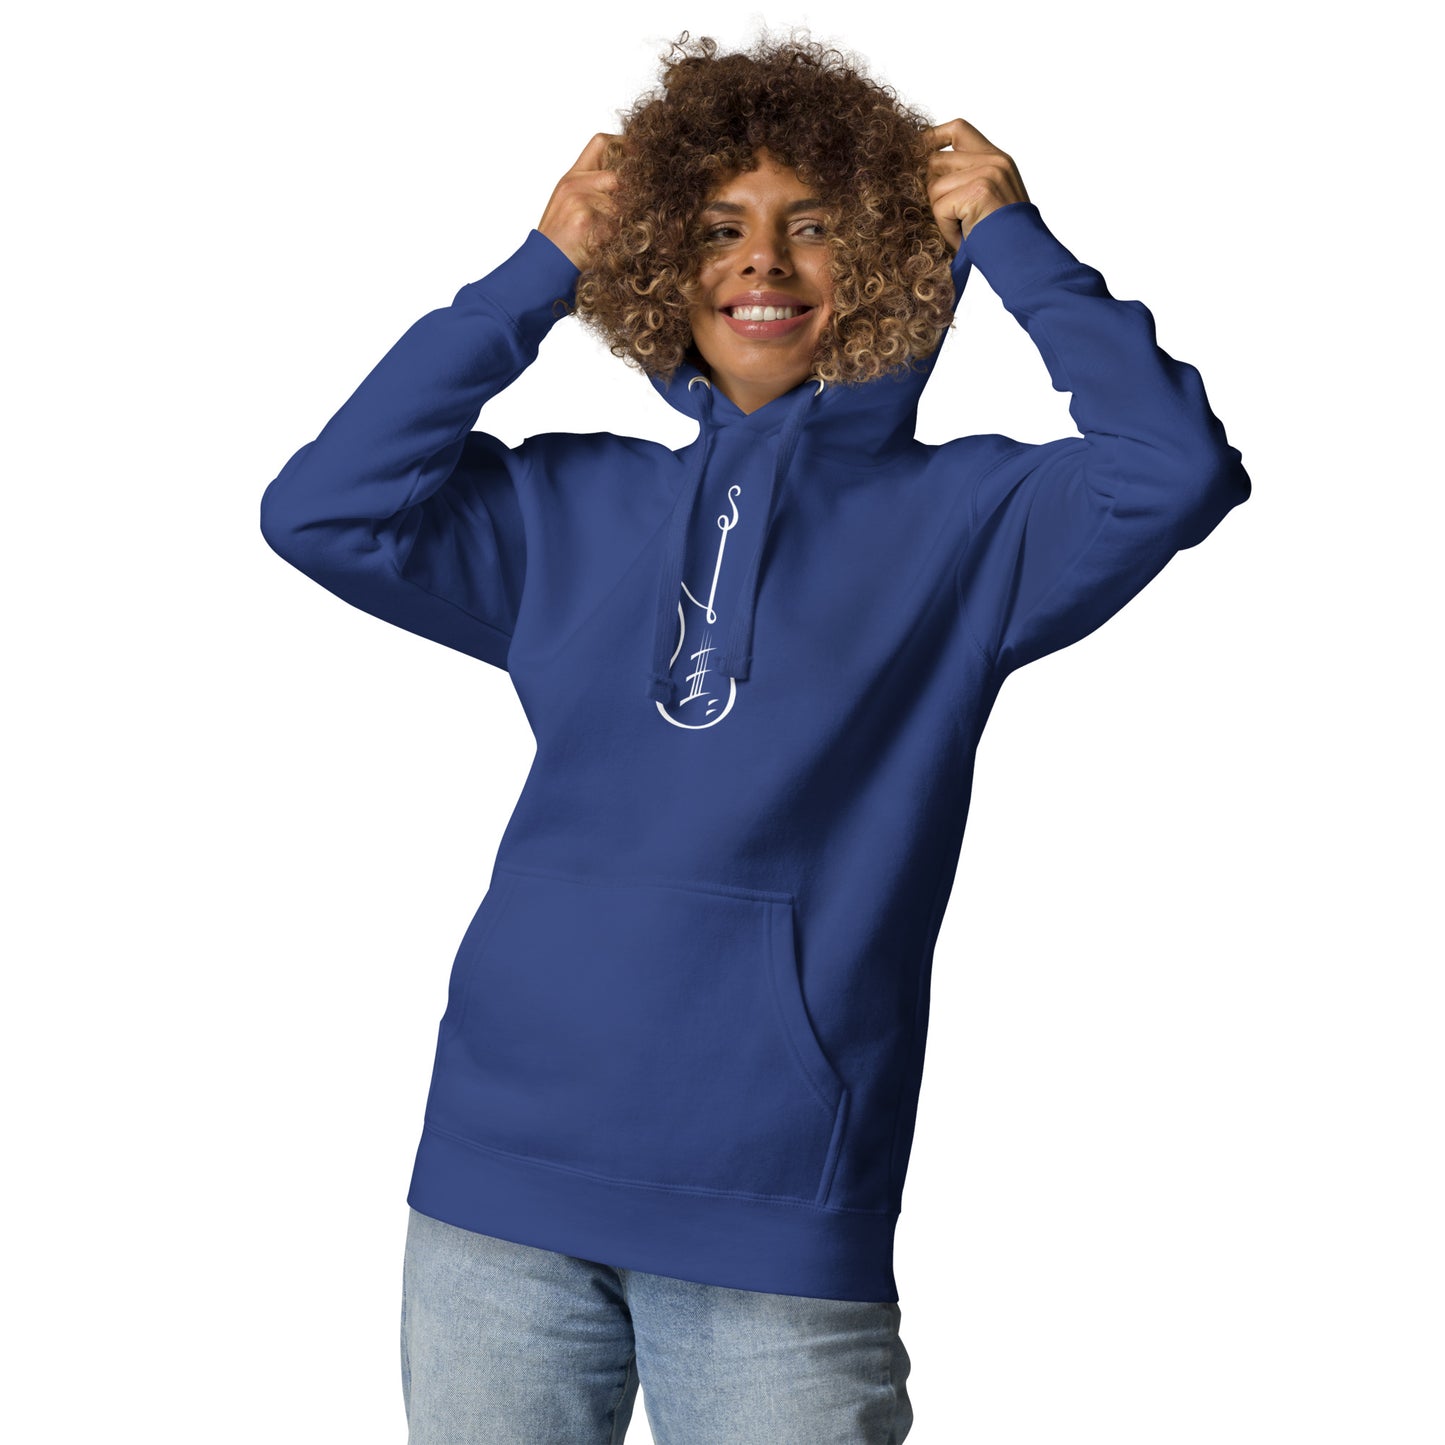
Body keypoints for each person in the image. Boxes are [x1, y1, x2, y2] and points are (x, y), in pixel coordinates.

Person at [259, 30, 1250, 1445]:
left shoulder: (974, 526)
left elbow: (1175, 470)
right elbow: (322, 510)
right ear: (659, 259)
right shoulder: (564, 507)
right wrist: (537, 271)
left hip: (772, 1216)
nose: (762, 264)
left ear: (894, 260)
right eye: (718, 228)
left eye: (814, 226)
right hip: (492, 1188)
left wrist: (1012, 243)